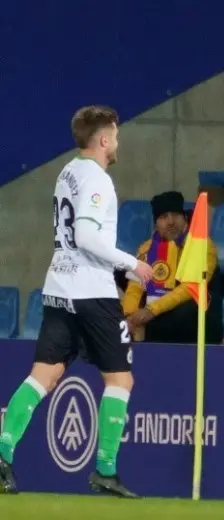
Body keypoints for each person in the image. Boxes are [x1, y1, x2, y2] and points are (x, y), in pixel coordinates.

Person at [0, 106, 153, 496]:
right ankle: (105, 469)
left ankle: (2, 455)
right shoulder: (99, 180)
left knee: (44, 375)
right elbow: (86, 237)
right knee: (120, 380)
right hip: (92, 293)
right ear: (103, 140)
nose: (117, 142)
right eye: (115, 136)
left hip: (58, 288)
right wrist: (132, 264)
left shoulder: (67, 172)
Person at [122, 191, 220, 344]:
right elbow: (135, 287)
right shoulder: (146, 248)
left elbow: (190, 287)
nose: (171, 222)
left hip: (195, 318)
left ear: (185, 219)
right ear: (156, 224)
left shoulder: (201, 245)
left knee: (182, 312)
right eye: (163, 217)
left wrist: (152, 310)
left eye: (175, 215)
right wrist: (129, 316)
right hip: (158, 315)